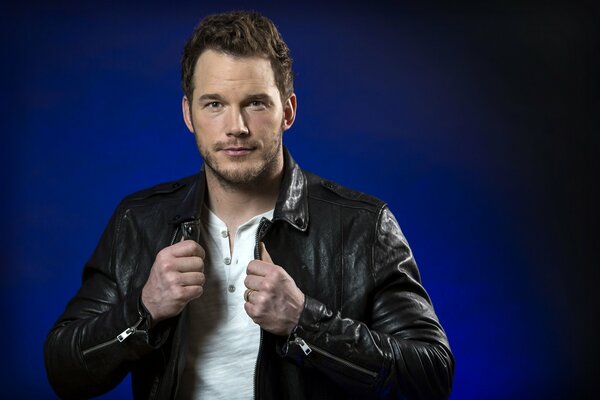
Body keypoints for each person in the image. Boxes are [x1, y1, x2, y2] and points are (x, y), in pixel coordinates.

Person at [44, 10, 454, 400]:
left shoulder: (362, 225)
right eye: (214, 104)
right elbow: (64, 371)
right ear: (188, 114)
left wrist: (305, 322)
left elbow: (431, 377)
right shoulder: (139, 221)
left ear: (287, 112)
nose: (236, 127)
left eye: (255, 103)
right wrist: (144, 308)